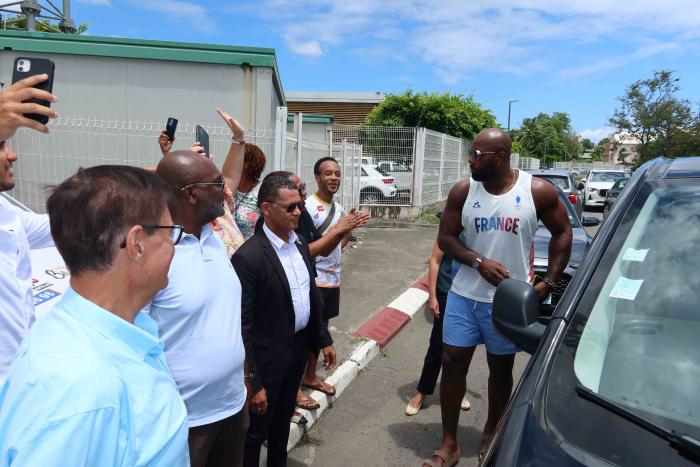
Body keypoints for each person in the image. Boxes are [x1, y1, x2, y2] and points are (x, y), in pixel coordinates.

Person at [0, 165, 190, 465]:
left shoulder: (119, 330)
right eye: (171, 233)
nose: (174, 246)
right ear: (137, 244)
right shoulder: (81, 391)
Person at [423, 128, 572, 467]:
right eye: (471, 153)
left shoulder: (536, 191)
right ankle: (449, 443)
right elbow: (446, 238)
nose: (470, 160)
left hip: (507, 301)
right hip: (463, 295)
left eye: (478, 154)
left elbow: (563, 231)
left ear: (501, 157)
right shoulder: (464, 191)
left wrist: (548, 283)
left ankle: (491, 431)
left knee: (500, 370)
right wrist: (477, 261)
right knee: (452, 363)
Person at [147, 149, 247, 467]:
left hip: (233, 406)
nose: (226, 189)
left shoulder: (212, 236)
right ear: (191, 194)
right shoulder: (152, 255)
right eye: (217, 183)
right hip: (185, 423)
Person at [232, 173, 337, 467]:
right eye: (290, 207)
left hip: (297, 351)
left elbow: (309, 294)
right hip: (267, 360)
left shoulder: (300, 243)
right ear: (266, 209)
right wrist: (254, 381)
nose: (298, 212)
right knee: (257, 431)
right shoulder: (249, 257)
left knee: (281, 426)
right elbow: (243, 324)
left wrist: (323, 339)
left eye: (299, 205)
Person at [0, 74, 58, 377]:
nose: (12, 155)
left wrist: (137, 185)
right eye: (0, 145)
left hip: (20, 378)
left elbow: (58, 225)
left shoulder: (6, 212)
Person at [301, 156, 366, 398]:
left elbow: (340, 244)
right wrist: (339, 229)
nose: (333, 178)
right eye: (327, 173)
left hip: (333, 279)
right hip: (313, 278)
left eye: (337, 174)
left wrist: (349, 229)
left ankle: (309, 375)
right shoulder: (307, 207)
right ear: (317, 177)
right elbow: (309, 246)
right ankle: (297, 384)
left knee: (322, 329)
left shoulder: (338, 209)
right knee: (308, 331)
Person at [156, 108, 247, 257]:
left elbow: (230, 177)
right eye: (215, 183)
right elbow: (174, 179)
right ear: (191, 192)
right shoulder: (178, 239)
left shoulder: (219, 211)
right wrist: (174, 158)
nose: (222, 189)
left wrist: (239, 137)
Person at [405, 237, 470, 416]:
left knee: (462, 348)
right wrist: (432, 296)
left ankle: (458, 390)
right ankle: (422, 392)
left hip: (468, 292)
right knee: (437, 344)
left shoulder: (477, 221)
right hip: (446, 291)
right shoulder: (450, 225)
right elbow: (435, 260)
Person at [234, 143, 267, 239]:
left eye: (235, 157)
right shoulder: (226, 188)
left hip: (251, 251)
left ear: (246, 165)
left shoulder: (263, 192)